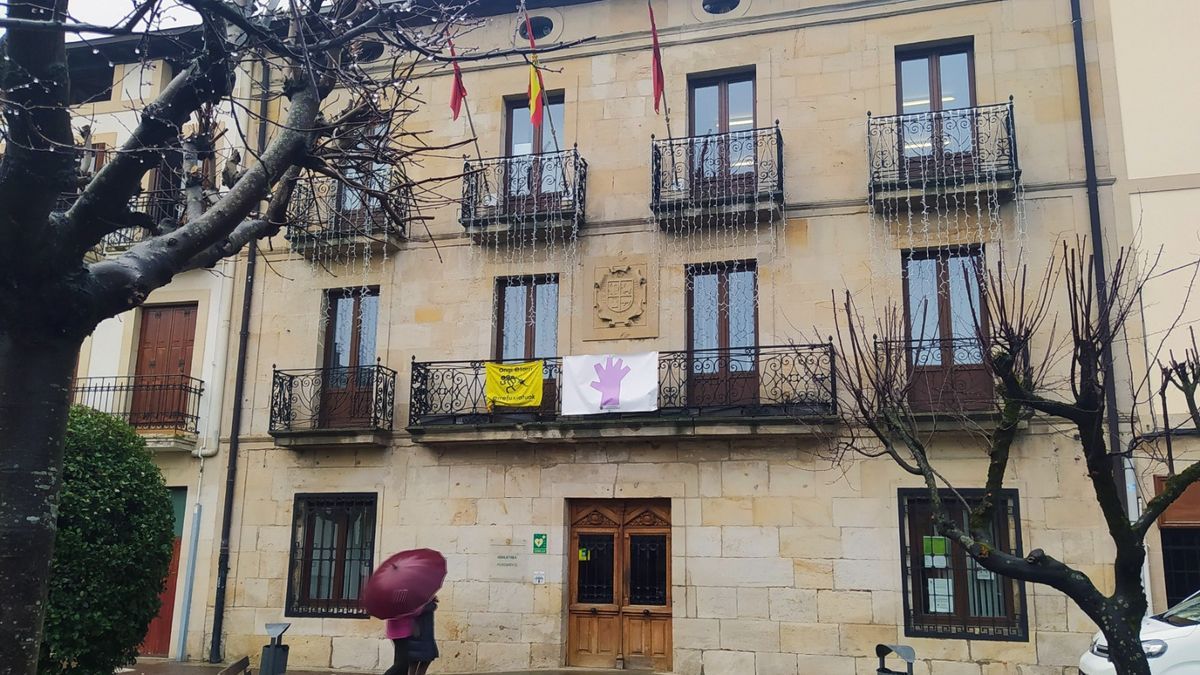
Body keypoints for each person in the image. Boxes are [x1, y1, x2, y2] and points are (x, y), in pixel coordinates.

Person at [407, 597, 438, 675]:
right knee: (418, 663)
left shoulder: (418, 601)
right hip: (420, 636)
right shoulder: (421, 603)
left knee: (415, 664)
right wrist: (432, 602)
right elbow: (428, 608)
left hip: (421, 636)